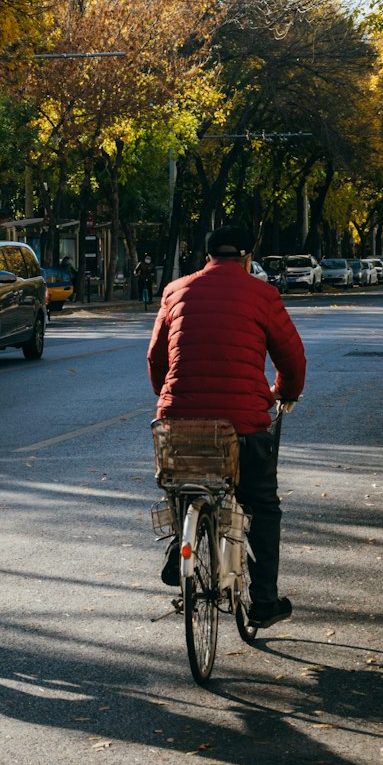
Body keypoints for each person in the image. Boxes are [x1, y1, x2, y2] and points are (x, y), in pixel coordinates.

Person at [147, 222, 306, 630]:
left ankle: (179, 543)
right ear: (247, 258)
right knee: (263, 506)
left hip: (181, 424)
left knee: (187, 480)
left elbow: (156, 359)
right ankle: (264, 601)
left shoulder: (175, 291)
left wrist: (170, 399)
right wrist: (284, 392)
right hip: (244, 427)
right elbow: (292, 360)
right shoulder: (263, 294)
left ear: (207, 256)